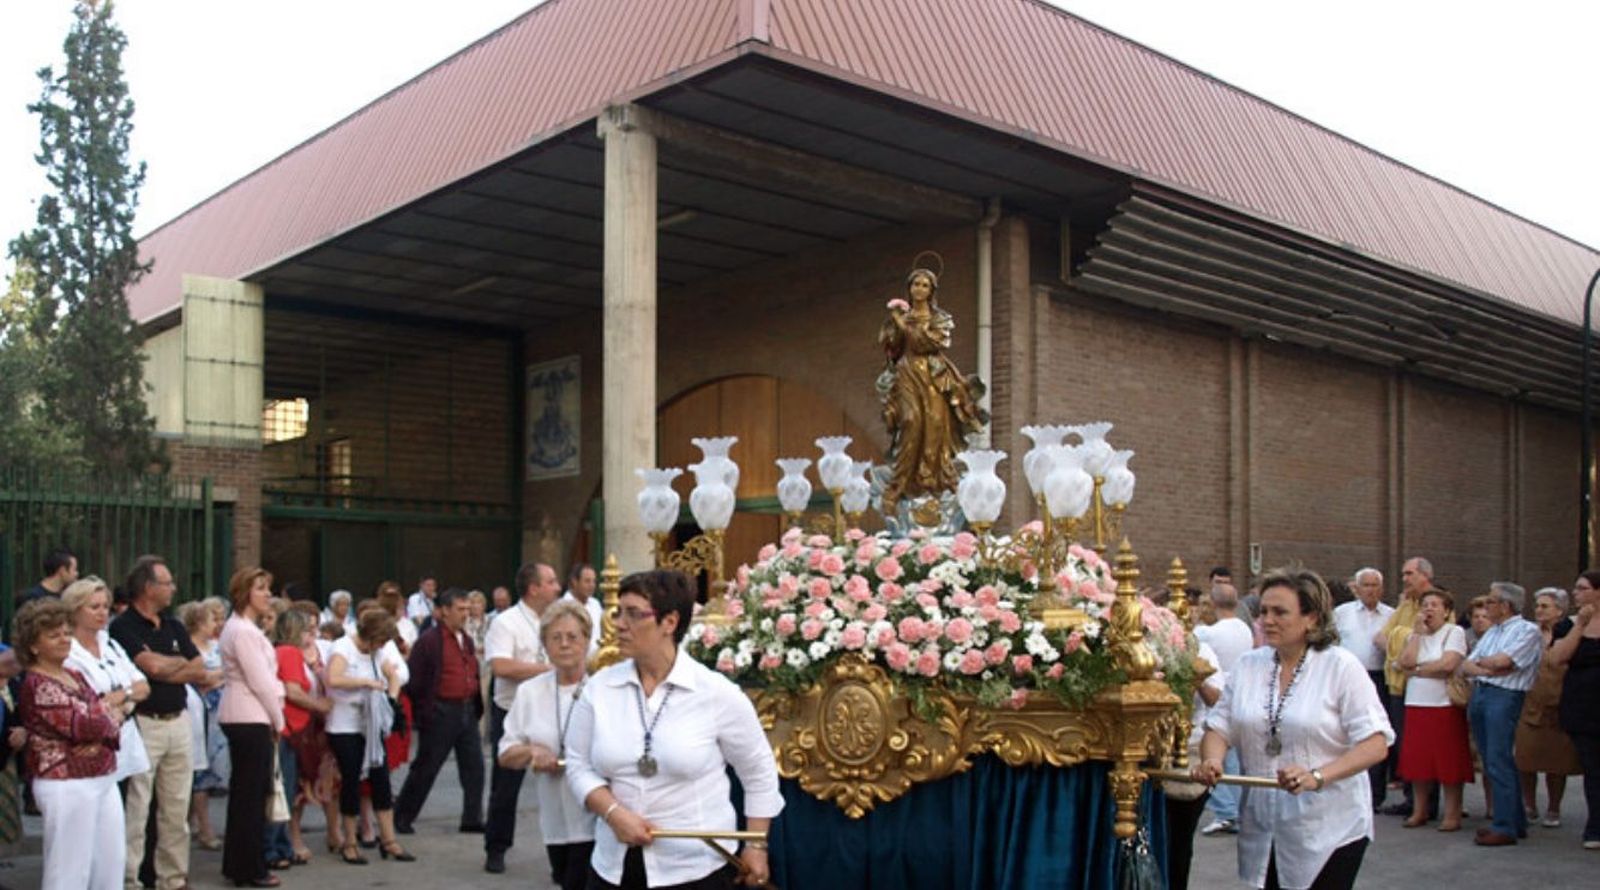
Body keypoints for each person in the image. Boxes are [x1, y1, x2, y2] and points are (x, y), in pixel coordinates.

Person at [567, 569, 782, 889]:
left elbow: (759, 771)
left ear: (669, 622)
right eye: (618, 612)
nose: (619, 624)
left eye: (634, 614)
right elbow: (577, 764)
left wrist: (757, 845)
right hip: (613, 868)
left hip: (696, 869)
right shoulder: (599, 689)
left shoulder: (715, 693)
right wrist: (613, 813)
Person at [1195, 566, 1392, 890]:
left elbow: (1375, 743)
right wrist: (1213, 760)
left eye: (1280, 612)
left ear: (1311, 617)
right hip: (1263, 823)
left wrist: (1318, 776)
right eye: (1264, 611)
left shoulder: (1340, 666)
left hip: (1329, 825)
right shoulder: (1248, 665)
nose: (1266, 620)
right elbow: (1219, 726)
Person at [110, 554, 212, 890]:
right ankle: (131, 878)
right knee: (138, 809)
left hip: (177, 720)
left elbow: (198, 667)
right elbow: (147, 667)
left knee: (176, 807)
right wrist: (175, 666)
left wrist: (167, 667)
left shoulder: (173, 625)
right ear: (148, 587)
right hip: (145, 723)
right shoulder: (123, 626)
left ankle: (173, 877)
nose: (173, 588)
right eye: (167, 582)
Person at [16, 599, 127, 890]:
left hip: (102, 774)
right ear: (33, 646)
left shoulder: (75, 675)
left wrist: (103, 723)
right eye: (54, 635)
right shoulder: (38, 684)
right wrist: (104, 719)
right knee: (69, 871)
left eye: (66, 632)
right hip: (65, 782)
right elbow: (89, 724)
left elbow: (113, 719)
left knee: (110, 864)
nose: (65, 639)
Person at [498, 600, 596, 890]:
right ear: (544, 645)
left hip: (597, 819)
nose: (564, 645)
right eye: (556, 638)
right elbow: (505, 752)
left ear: (587, 641)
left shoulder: (601, 689)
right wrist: (531, 752)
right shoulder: (530, 692)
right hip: (555, 820)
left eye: (572, 637)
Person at [876, 265, 988, 507]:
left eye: (925, 285)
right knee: (911, 421)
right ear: (909, 288)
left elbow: (926, 343)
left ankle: (936, 479)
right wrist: (894, 327)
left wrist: (902, 324)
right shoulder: (900, 318)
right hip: (907, 373)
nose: (920, 289)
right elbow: (892, 349)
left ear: (931, 291)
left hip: (934, 375)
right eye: (916, 284)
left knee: (936, 425)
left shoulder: (940, 319)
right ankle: (901, 483)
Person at [482, 562, 560, 873]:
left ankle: (561, 855)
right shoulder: (507, 622)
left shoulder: (554, 619)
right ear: (534, 588)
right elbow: (501, 667)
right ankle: (496, 847)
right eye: (551, 582)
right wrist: (548, 670)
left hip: (549, 710)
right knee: (505, 786)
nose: (557, 587)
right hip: (512, 710)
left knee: (559, 782)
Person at [326, 608, 415, 865]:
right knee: (352, 779)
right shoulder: (344, 647)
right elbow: (334, 678)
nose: (382, 646)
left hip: (370, 725)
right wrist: (365, 683)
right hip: (345, 724)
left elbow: (393, 675)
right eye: (381, 641)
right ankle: (350, 842)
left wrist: (391, 699)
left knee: (381, 779)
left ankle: (389, 840)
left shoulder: (376, 652)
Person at [394, 587, 485, 834]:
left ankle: (472, 818)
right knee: (426, 767)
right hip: (442, 710)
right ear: (444, 611)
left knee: (474, 767)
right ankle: (402, 816)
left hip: (465, 708)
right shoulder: (430, 641)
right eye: (460, 609)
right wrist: (429, 709)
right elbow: (414, 680)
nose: (465, 614)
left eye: (467, 609)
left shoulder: (464, 639)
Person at [218, 567, 288, 887]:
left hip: (246, 714)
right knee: (251, 795)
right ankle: (249, 867)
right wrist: (278, 718)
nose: (267, 595)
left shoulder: (243, 628)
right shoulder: (243, 631)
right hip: (249, 715)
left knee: (248, 794)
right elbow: (260, 681)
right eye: (261, 588)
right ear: (245, 593)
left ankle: (241, 863)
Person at [1459, 581, 1543, 846]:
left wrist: (1487, 665)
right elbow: (1467, 664)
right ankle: (1514, 820)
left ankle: (1504, 825)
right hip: (1482, 693)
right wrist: (1487, 668)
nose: (1486, 606)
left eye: (1491, 602)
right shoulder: (1492, 632)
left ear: (1506, 606)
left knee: (1499, 758)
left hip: (1504, 697)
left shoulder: (1527, 631)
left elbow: (1506, 662)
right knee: (1490, 757)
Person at [1395, 588, 1472, 830]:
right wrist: (1417, 635)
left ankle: (1452, 813)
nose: (1428, 609)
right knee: (1419, 761)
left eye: (1435, 605)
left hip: (1443, 704)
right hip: (1416, 703)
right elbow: (1403, 662)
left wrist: (1417, 670)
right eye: (1425, 604)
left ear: (1447, 610)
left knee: (1447, 760)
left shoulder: (1454, 632)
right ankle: (1420, 810)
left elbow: (1448, 664)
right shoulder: (1414, 635)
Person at [62, 577, 151, 783]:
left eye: (105, 606)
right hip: (93, 746)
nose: (102, 612)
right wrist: (127, 695)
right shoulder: (67, 652)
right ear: (74, 610)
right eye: (94, 607)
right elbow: (90, 702)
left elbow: (143, 686)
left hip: (126, 740)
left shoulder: (110, 644)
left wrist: (123, 696)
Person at [266, 607, 331, 867]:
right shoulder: (290, 653)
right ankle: (274, 848)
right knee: (284, 789)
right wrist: (319, 705)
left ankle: (279, 845)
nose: (312, 635)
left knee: (285, 789)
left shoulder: (279, 651)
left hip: (288, 728)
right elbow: (293, 691)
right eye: (307, 630)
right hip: (290, 729)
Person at [1162, 637, 1225, 890]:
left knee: (1178, 839)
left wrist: (1197, 680)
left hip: (1188, 751)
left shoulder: (1201, 649)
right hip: (1147, 752)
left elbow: (1219, 701)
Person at [1514, 587, 1581, 828]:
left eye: (1545, 606)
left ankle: (1554, 807)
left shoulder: (1572, 633)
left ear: (1560, 610)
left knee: (1557, 761)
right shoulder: (1529, 633)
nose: (1539, 610)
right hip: (1530, 702)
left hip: (1560, 702)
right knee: (1526, 757)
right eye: (1537, 605)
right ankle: (1529, 804)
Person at [1375, 556, 1435, 816]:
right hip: (1396, 684)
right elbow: (1380, 637)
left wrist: (1400, 641)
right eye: (1403, 574)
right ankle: (1412, 799)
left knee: (1422, 745)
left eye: (1409, 574)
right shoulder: (1405, 605)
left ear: (1425, 575)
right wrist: (1403, 641)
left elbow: (1429, 642)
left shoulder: (1435, 602)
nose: (1404, 579)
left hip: (1420, 685)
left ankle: (1426, 804)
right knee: (1403, 744)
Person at [1333, 568, 1395, 809]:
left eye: (1375, 585)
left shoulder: (1391, 615)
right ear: (1356, 589)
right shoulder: (1341, 614)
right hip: (1347, 677)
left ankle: (1375, 793)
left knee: (1373, 733)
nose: (1370, 590)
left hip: (1379, 677)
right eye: (1366, 585)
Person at [1196, 582, 1253, 837]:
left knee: (1215, 758)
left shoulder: (1209, 635)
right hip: (1239, 691)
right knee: (1229, 759)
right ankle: (1236, 810)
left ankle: (1227, 810)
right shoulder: (1244, 628)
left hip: (1219, 690)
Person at [1550, 570, 1600, 850]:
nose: (1575, 593)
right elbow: (1558, 658)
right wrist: (1580, 625)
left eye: (1582, 588)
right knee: (1593, 768)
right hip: (1583, 705)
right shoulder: (1568, 625)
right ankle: (1595, 826)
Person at [183, 597, 230, 850]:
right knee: (199, 771)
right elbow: (196, 677)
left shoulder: (217, 646)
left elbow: (229, 671)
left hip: (219, 714)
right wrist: (212, 677)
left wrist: (214, 677)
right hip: (198, 713)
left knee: (214, 768)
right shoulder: (186, 647)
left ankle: (192, 820)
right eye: (213, 619)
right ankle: (204, 827)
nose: (218, 624)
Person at [560, 564, 603, 656]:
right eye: (587, 581)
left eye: (594, 581)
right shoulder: (561, 607)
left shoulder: (595, 604)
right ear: (574, 582)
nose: (592, 585)